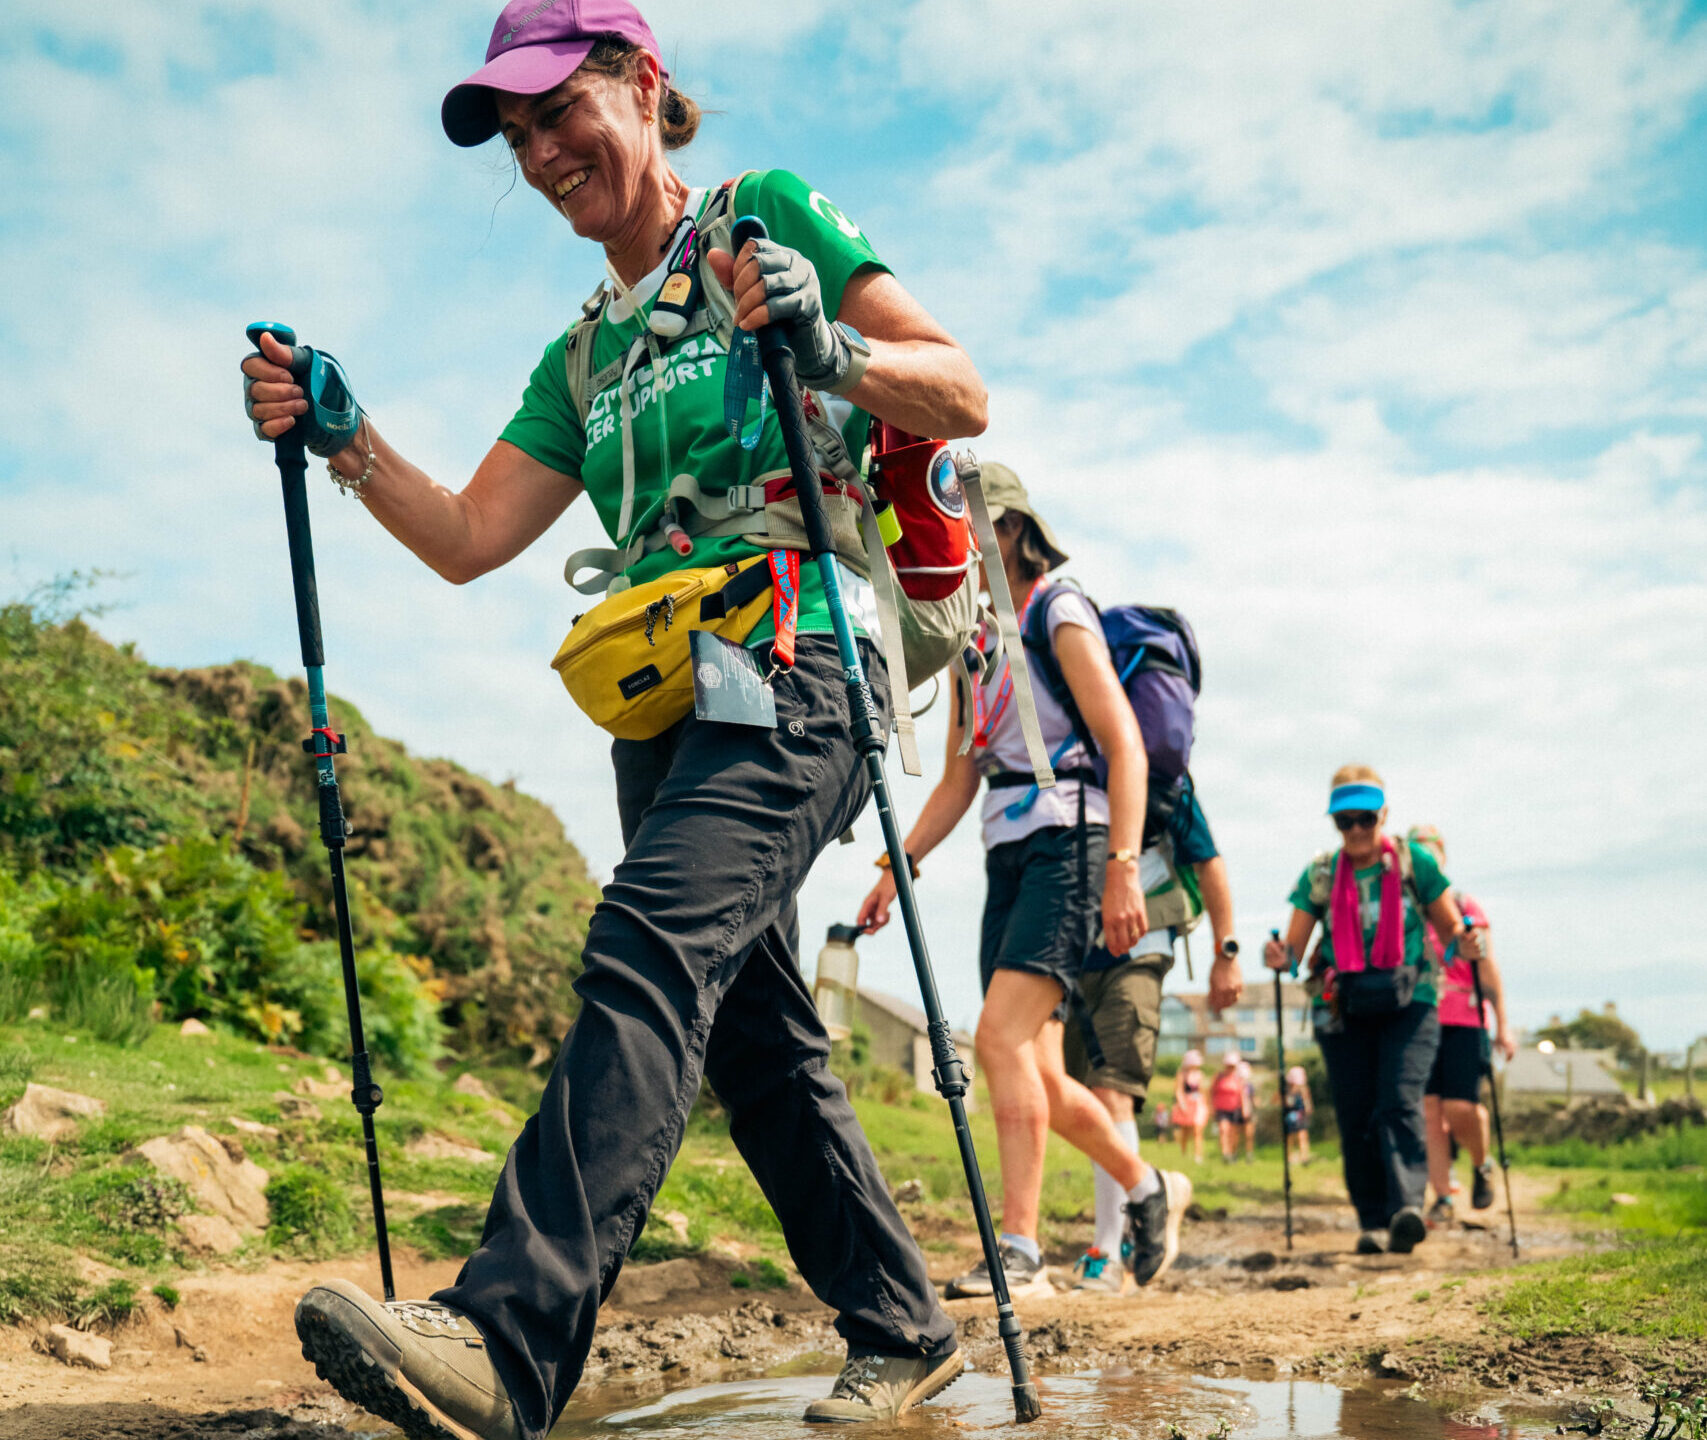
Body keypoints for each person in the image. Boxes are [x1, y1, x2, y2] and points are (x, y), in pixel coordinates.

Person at [246, 4, 988, 1434]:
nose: (537, 154)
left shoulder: (758, 220)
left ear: (642, 86)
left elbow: (956, 387)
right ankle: (902, 1330)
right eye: (513, 135)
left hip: (799, 652)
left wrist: (827, 343)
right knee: (751, 1030)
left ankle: (502, 1338)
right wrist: (346, 439)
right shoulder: (578, 357)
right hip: (660, 695)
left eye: (556, 111)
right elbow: (466, 535)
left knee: (648, 940)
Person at [857, 466, 1191, 1297]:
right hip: (1005, 850)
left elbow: (1125, 745)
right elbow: (959, 777)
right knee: (1035, 1069)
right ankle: (1148, 1188)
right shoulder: (970, 636)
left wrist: (1121, 869)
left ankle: (1020, 1250)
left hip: (1071, 845)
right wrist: (900, 868)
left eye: (969, 517)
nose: (956, 531)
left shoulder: (1057, 610)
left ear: (1011, 529)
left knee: (996, 1039)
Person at [1262, 765, 1482, 1257]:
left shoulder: (1413, 861)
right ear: (1335, 823)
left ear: (1383, 814)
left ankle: (1405, 1210)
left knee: (1400, 1100)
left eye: (1366, 818)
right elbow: (1292, 952)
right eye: (1346, 822)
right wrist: (1277, 956)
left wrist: (1467, 943)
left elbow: (1450, 934)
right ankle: (1371, 1219)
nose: (1358, 830)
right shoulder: (1320, 874)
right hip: (1344, 1006)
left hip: (1413, 1000)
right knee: (1356, 1110)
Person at [1061, 784, 1242, 1293]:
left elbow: (1208, 861)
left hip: (1142, 943)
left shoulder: (1163, 773)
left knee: (1110, 1090)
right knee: (1071, 1097)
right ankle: (1156, 1187)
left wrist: (1226, 952)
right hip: (1072, 950)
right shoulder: (1059, 755)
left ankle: (1108, 1250)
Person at [1407, 825, 1517, 1229]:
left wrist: (1503, 1024)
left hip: (1465, 1019)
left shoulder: (1464, 905)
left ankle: (1481, 1162)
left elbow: (1488, 970)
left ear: (1442, 858)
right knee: (1430, 1112)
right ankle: (1443, 1196)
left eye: (1429, 854)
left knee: (1460, 1106)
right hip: (1420, 1018)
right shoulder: (1408, 912)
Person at [1173, 1049, 1209, 1164]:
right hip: (1186, 1105)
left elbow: (1203, 1091)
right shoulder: (1181, 1075)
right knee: (1185, 1131)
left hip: (1198, 1106)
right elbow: (1178, 1091)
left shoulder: (1200, 1075)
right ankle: (1183, 1153)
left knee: (1198, 1131)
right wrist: (1182, 1105)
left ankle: (1198, 1156)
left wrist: (1205, 1104)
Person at [1210, 1052, 1246, 1162]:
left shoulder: (1238, 1078)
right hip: (1221, 1109)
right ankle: (1225, 1154)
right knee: (1223, 1130)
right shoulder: (1219, 1077)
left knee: (1233, 1134)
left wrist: (1244, 1109)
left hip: (1235, 1109)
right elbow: (1211, 1091)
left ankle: (1232, 1152)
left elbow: (1242, 1094)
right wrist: (1211, 1106)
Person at [1283, 1065, 1314, 1165]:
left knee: (1302, 1136)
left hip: (1301, 1116)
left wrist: (1308, 1107)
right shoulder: (1287, 1090)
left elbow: (1308, 1103)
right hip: (1290, 1116)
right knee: (1290, 1138)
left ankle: (1304, 1158)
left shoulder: (1304, 1090)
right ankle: (1289, 1158)